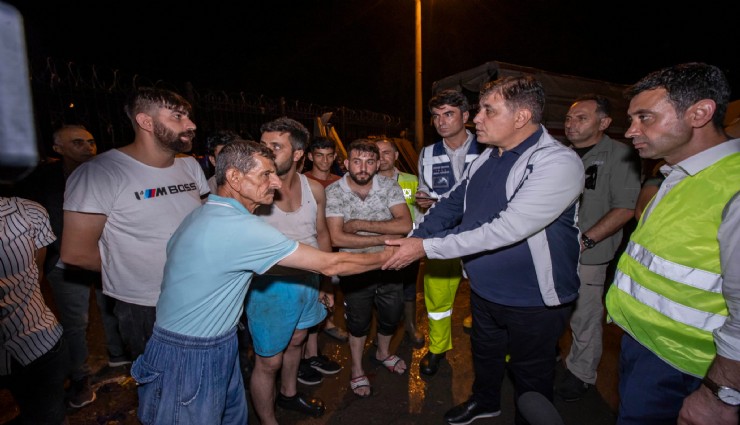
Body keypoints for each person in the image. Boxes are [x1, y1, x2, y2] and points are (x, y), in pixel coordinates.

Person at [131, 140, 393, 425]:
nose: (276, 184)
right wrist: (394, 254)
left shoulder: (203, 213)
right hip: (189, 354)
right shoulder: (240, 227)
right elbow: (332, 263)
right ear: (234, 178)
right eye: (265, 175)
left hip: (214, 342)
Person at [383, 75, 584, 425]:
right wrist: (416, 236)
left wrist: (425, 248)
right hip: (484, 289)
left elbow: (506, 229)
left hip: (533, 299)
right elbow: (450, 205)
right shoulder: (486, 157)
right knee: (485, 355)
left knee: (531, 376)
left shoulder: (557, 162)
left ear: (521, 117)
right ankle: (486, 402)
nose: (477, 118)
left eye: (488, 111)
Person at [604, 62, 740, 425]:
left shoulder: (734, 186)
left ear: (700, 113)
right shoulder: (677, 173)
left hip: (689, 367)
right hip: (645, 345)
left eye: (644, 117)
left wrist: (720, 394)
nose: (631, 130)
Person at [61, 87, 209, 360]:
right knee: (164, 389)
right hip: (148, 306)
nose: (191, 125)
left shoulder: (189, 166)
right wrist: (135, 274)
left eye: (188, 116)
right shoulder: (99, 173)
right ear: (145, 122)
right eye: (177, 116)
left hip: (202, 293)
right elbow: (76, 253)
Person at [17, 124, 129, 409]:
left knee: (112, 308)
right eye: (78, 143)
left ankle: (119, 356)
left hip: (106, 254)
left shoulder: (108, 172)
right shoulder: (41, 180)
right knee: (75, 322)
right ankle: (80, 379)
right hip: (64, 261)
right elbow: (30, 217)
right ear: (58, 148)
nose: (88, 148)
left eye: (91, 142)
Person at [246, 117, 339, 422]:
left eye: (276, 146)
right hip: (269, 288)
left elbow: (322, 234)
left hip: (309, 281)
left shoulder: (314, 188)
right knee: (268, 361)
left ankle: (288, 394)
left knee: (298, 340)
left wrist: (326, 282)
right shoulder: (250, 191)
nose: (267, 152)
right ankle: (267, 420)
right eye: (264, 145)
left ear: (298, 153)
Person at [556, 94, 641, 401]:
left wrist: (587, 240)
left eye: (581, 118)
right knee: (552, 307)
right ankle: (553, 351)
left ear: (604, 123)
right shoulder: (561, 155)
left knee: (585, 315)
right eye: (568, 118)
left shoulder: (619, 155)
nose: (571, 124)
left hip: (588, 253)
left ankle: (581, 373)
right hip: (555, 249)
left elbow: (626, 208)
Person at [325, 139, 413, 397]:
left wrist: (359, 225)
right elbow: (337, 238)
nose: (363, 167)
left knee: (391, 314)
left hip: (390, 264)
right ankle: (356, 369)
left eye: (369, 162)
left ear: (377, 165)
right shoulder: (334, 191)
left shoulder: (389, 186)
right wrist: (384, 239)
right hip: (355, 267)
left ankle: (383, 352)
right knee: (358, 321)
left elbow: (405, 225)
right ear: (346, 164)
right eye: (357, 161)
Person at [416, 89, 484, 375]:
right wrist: (420, 199)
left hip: (482, 235)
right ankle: (438, 348)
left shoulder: (488, 148)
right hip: (441, 234)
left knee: (487, 296)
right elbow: (422, 190)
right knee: (438, 299)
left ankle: (495, 352)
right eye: (436, 116)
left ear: (466, 116)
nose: (441, 121)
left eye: (448, 114)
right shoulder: (427, 153)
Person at [0, 196, 69, 425]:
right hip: (39, 341)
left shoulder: (29, 212)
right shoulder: (28, 211)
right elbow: (37, 274)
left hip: (37, 343)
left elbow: (37, 274)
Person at [374, 136, 424, 346]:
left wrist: (419, 240)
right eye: (377, 153)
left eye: (387, 152)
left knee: (408, 286)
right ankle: (382, 330)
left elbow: (420, 212)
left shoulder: (411, 180)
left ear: (395, 156)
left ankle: (410, 327)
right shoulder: (366, 181)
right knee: (379, 289)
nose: (382, 157)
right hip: (377, 246)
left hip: (406, 244)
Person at [303, 136, 349, 343]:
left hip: (337, 242)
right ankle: (314, 328)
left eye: (329, 156)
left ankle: (328, 322)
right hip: (311, 242)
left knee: (333, 284)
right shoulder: (302, 182)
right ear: (310, 156)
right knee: (313, 286)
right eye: (319, 156)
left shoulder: (341, 183)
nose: (324, 161)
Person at [206, 129, 241, 194]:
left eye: (234, 154)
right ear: (213, 160)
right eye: (223, 157)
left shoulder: (251, 180)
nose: (230, 160)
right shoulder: (208, 190)